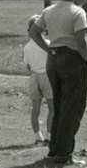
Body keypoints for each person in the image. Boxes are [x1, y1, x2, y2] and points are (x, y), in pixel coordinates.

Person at [29, 0, 87, 165]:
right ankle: (64, 154)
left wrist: (49, 49)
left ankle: (54, 149)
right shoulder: (77, 12)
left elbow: (34, 32)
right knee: (72, 108)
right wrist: (86, 60)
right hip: (72, 59)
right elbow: (81, 41)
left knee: (59, 107)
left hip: (53, 60)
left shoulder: (49, 10)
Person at [23, 15, 54, 145]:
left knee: (35, 109)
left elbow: (28, 66)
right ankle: (49, 135)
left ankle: (37, 136)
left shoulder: (27, 47)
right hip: (46, 75)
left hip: (34, 76)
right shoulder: (48, 44)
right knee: (52, 108)